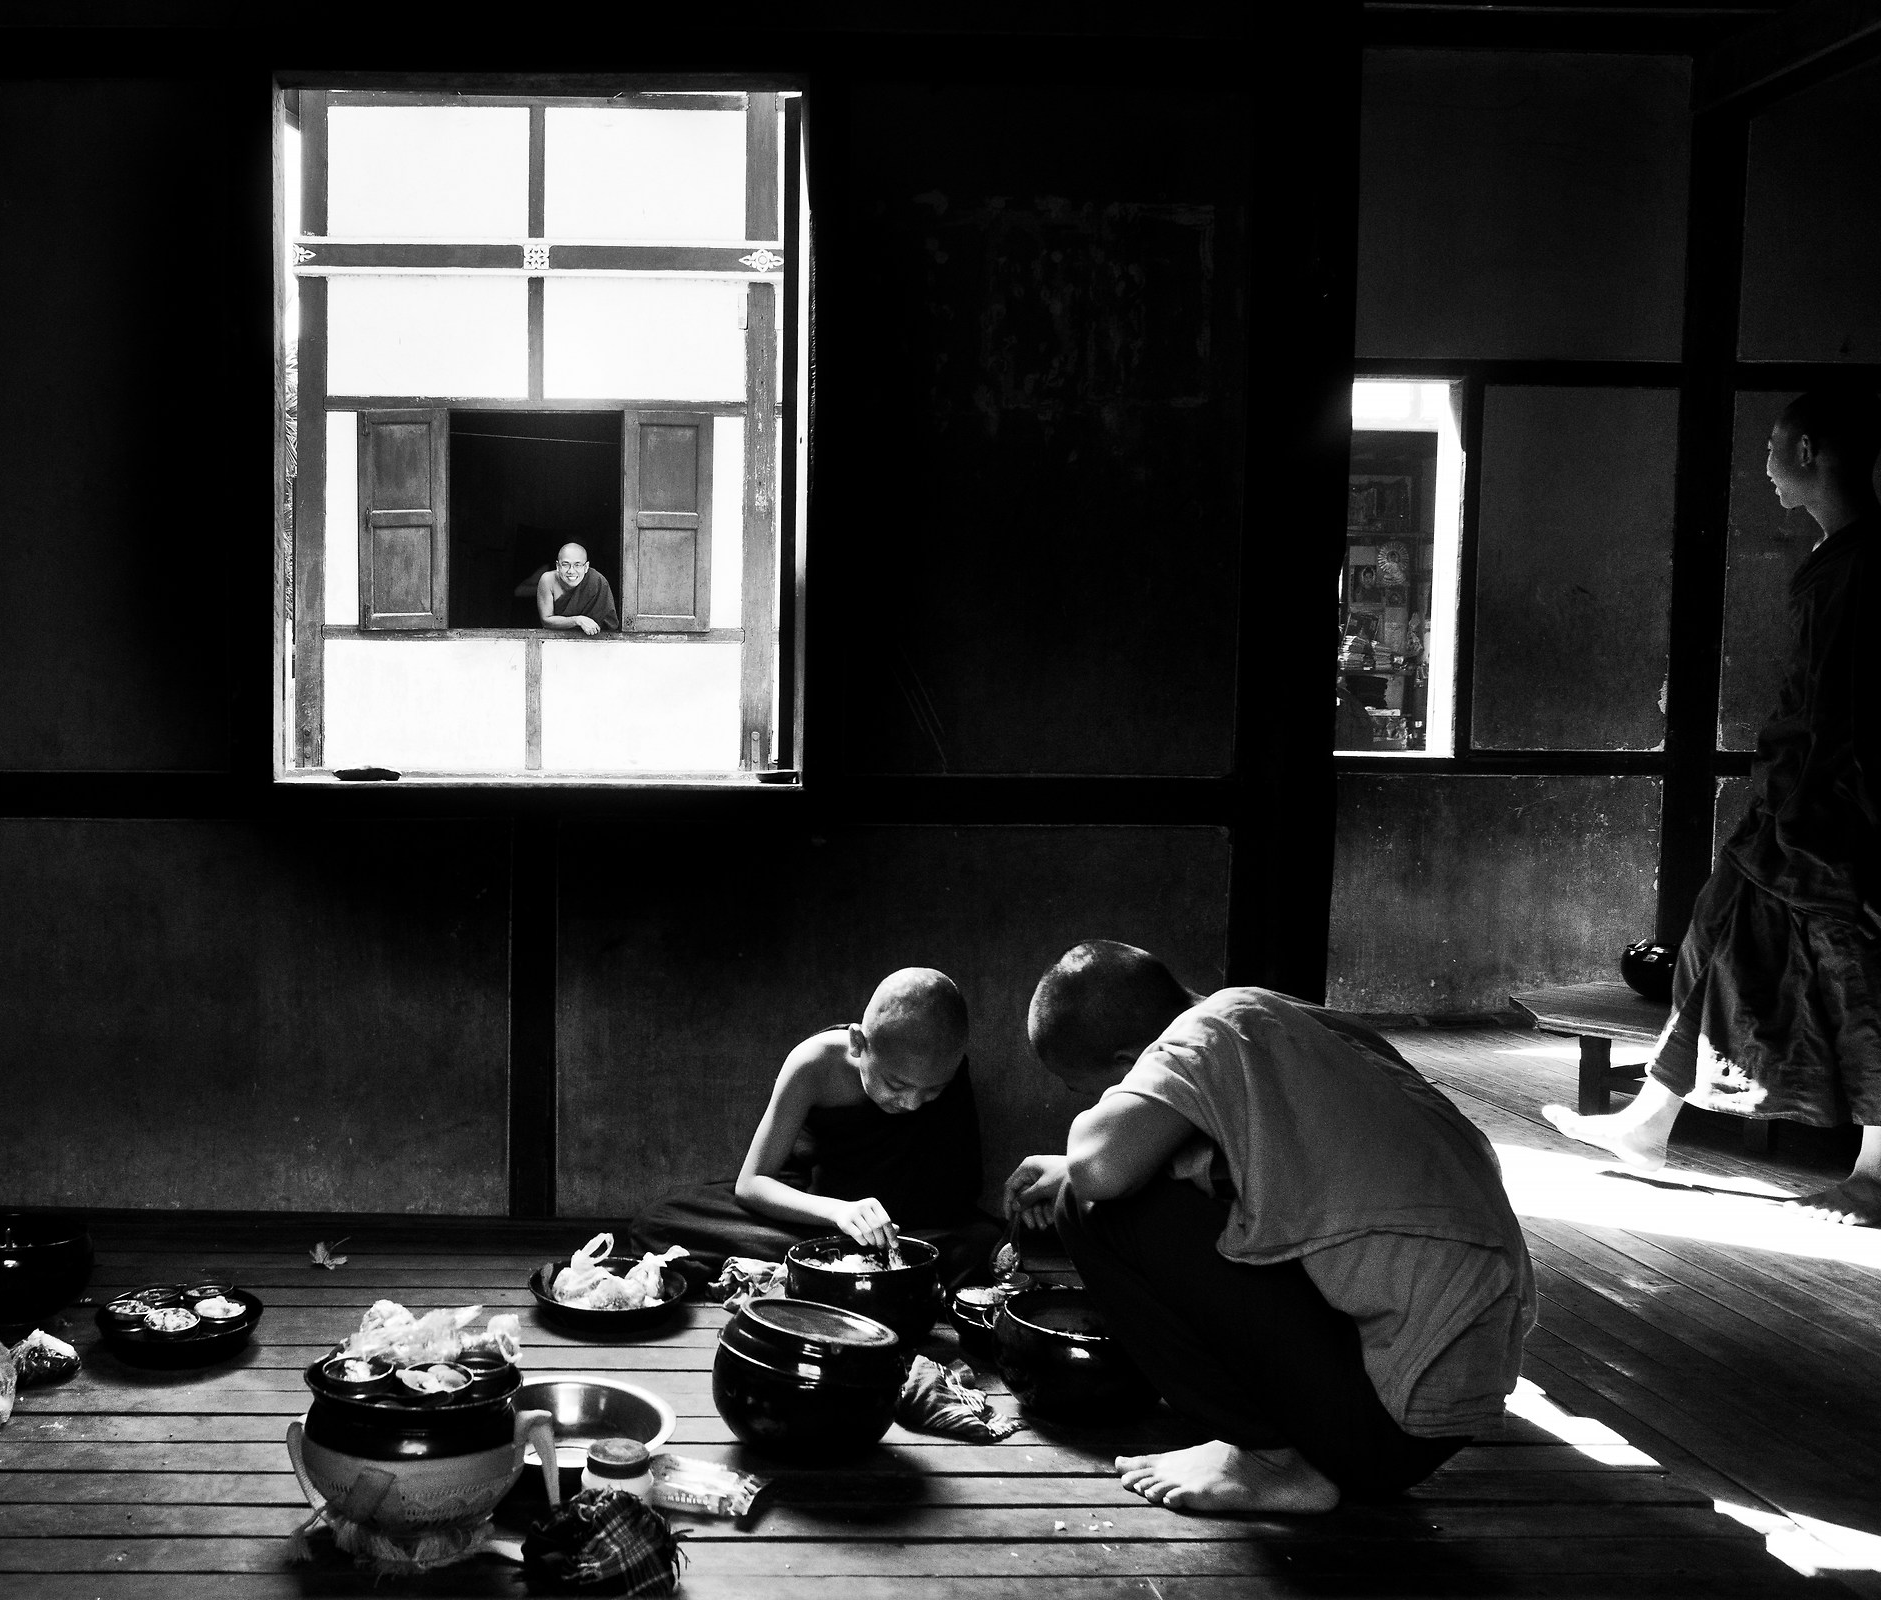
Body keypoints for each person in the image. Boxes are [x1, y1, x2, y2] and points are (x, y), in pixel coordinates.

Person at [1004, 941, 1533, 1515]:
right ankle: (1295, 1452)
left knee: (1090, 1209)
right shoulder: (1303, 1024)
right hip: (1436, 1415)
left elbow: (1099, 1169)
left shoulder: (1210, 1030)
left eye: (1091, 1089)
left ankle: (1270, 1460)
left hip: (1385, 1422)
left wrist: (1083, 1147)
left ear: (1129, 1058)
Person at [1544, 388, 1881, 1225]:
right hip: (1791, 804)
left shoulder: (1864, 565)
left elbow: (1851, 712)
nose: (1764, 465)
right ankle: (1648, 1125)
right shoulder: (1841, 555)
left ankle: (1876, 1170)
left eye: (1774, 445)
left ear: (1809, 452)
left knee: (1857, 978)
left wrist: (1821, 815)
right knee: (1715, 930)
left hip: (1834, 814)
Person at [630, 968, 999, 1290]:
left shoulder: (947, 1069)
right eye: (897, 1085)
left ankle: (826, 1270)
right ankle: (867, 1272)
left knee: (980, 1245)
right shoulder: (815, 1064)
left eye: (933, 1091)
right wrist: (839, 1212)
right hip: (819, 1213)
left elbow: (958, 1191)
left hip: (900, 1229)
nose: (912, 1104)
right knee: (659, 1221)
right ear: (858, 1043)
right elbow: (752, 1183)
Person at [530, 543, 619, 636]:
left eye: (578, 565)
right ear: (557, 566)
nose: (571, 571)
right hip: (556, 641)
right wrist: (577, 620)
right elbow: (546, 621)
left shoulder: (597, 581)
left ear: (586, 567)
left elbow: (609, 625)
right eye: (565, 564)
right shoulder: (548, 580)